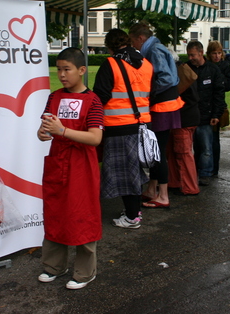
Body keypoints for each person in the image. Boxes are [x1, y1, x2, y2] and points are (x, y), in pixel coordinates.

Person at [36, 47, 104, 289]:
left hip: (81, 166)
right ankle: (54, 266)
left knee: (83, 215)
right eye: (59, 70)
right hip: (58, 162)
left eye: (67, 69)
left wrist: (62, 131)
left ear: (82, 70)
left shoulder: (93, 101)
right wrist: (43, 133)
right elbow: (43, 130)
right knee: (56, 213)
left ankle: (86, 272)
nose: (62, 75)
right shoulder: (54, 97)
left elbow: (95, 138)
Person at [93, 29, 153, 229]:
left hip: (118, 126)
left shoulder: (111, 64)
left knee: (125, 173)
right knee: (134, 170)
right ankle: (134, 211)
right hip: (143, 125)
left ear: (110, 46)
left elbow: (99, 97)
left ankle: (132, 217)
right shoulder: (146, 64)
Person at [129, 22, 183, 209]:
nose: (133, 47)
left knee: (156, 150)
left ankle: (163, 195)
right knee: (155, 149)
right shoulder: (157, 47)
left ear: (140, 38)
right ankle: (152, 190)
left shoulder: (153, 50)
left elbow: (166, 78)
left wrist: (147, 93)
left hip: (163, 106)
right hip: (167, 104)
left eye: (133, 42)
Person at [185, 41, 226, 186]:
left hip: (206, 114)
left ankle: (206, 173)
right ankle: (194, 171)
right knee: (191, 147)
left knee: (206, 147)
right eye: (189, 55)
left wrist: (216, 114)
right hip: (189, 115)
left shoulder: (213, 70)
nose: (191, 58)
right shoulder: (186, 68)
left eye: (193, 55)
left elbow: (218, 94)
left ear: (201, 53)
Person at [167, 61, 201, 196]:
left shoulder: (176, 74)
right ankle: (176, 182)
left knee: (183, 153)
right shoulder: (185, 70)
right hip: (186, 118)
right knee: (175, 151)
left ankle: (189, 186)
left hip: (182, 120)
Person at [206, 41, 230, 177]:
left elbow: (229, 84)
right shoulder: (207, 66)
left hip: (218, 103)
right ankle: (206, 166)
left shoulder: (225, 65)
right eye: (214, 53)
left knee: (215, 139)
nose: (217, 56)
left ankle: (214, 168)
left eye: (219, 53)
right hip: (207, 103)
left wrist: (219, 79)